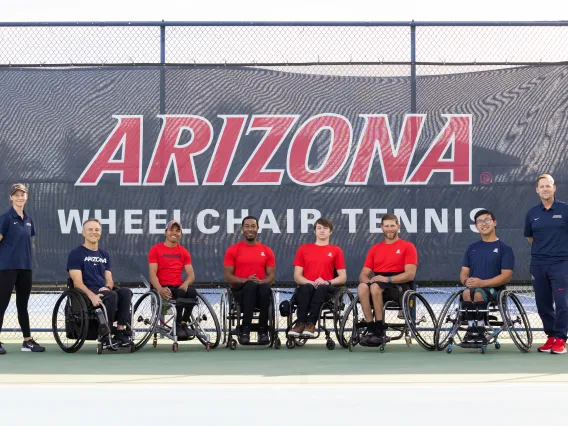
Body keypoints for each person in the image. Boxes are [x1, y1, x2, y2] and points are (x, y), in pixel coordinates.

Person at [67, 218, 133, 346]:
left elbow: (109, 279)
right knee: (112, 295)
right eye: (90, 229)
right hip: (86, 295)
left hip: (104, 292)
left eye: (97, 229)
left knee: (126, 292)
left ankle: (120, 332)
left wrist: (108, 287)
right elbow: (77, 283)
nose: (94, 232)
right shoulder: (75, 253)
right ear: (83, 233)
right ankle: (105, 336)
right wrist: (91, 296)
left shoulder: (104, 254)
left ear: (101, 233)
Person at [357, 213, 417, 346]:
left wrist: (387, 279)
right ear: (382, 228)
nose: (389, 229)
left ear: (398, 227)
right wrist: (368, 282)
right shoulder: (375, 248)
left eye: (392, 226)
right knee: (362, 287)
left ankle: (380, 328)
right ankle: (371, 327)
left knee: (375, 287)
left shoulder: (408, 246)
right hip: (377, 283)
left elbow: (410, 275)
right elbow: (363, 274)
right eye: (386, 226)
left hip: (399, 287)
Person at [525, 173, 568, 354]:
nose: (545, 189)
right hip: (538, 264)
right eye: (542, 186)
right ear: (537, 190)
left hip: (561, 263)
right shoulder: (532, 213)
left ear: (554, 188)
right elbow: (530, 237)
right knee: (543, 302)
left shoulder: (565, 210)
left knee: (562, 303)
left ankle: (561, 338)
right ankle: (551, 336)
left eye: (548, 185)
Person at [0, 184, 45, 354]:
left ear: (26, 197)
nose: (20, 197)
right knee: (1, 304)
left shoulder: (28, 219)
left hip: (25, 268)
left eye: (22, 195)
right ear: (11, 197)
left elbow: (29, 241)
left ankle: (27, 341)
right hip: (6, 268)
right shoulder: (5, 218)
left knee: (22, 305)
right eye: (16, 195)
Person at [460, 209, 514, 344]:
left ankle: (480, 329)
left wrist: (482, 283)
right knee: (467, 292)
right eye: (479, 222)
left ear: (494, 222)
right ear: (476, 226)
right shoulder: (471, 248)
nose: (483, 224)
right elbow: (464, 272)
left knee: (476, 293)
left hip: (494, 291)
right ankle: (472, 330)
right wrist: (467, 281)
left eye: (487, 220)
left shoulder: (505, 249)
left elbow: (506, 276)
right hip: (473, 289)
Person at [289, 218, 347, 338]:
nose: (322, 231)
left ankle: (311, 324)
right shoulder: (303, 249)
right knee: (307, 287)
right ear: (315, 231)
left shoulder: (336, 251)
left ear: (330, 232)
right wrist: (311, 282)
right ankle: (300, 323)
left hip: (326, 290)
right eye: (319, 228)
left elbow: (343, 277)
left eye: (325, 228)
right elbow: (297, 276)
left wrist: (327, 282)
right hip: (307, 288)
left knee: (321, 288)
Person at [223, 216, 276, 344]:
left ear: (257, 229)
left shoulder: (266, 250)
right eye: (247, 226)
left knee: (264, 288)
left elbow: (271, 276)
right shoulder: (233, 250)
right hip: (240, 292)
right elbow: (228, 276)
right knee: (250, 285)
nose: (250, 229)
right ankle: (245, 329)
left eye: (253, 226)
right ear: (242, 229)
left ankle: (263, 330)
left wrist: (262, 281)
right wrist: (245, 280)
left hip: (260, 291)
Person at [148, 220, 197, 338]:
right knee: (181, 292)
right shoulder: (155, 249)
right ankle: (178, 325)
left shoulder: (184, 252)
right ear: (165, 233)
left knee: (192, 291)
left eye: (177, 231)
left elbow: (191, 275)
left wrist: (186, 283)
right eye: (171, 230)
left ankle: (183, 323)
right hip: (162, 286)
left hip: (178, 286)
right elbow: (152, 273)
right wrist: (159, 289)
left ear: (181, 234)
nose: (174, 233)